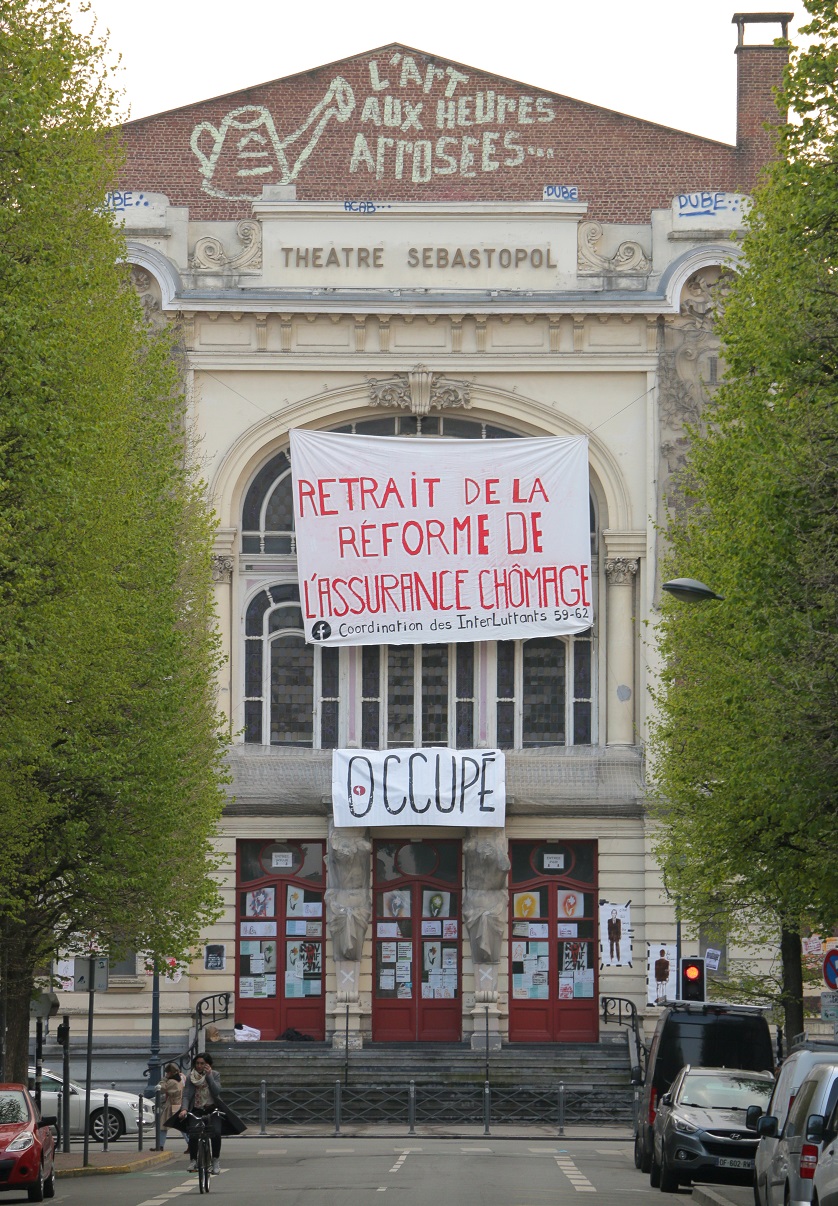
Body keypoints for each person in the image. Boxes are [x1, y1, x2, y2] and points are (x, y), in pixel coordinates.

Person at [172, 1053, 246, 1175]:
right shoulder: (190, 1077)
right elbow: (186, 1095)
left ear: (208, 1065)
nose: (199, 1066)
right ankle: (193, 1160)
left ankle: (215, 1160)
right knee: (194, 1132)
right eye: (197, 1063)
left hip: (212, 1109)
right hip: (196, 1109)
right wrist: (184, 1109)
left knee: (216, 1133)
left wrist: (210, 1076)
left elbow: (217, 1091)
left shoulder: (215, 1074)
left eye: (202, 1064)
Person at [156, 1063, 183, 1149]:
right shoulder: (180, 1079)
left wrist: (163, 1080)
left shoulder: (171, 1081)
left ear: (170, 1073)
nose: (166, 1074)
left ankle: (160, 1145)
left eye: (167, 1073)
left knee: (163, 1126)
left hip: (172, 1106)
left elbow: (162, 1088)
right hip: (177, 1104)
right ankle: (160, 1145)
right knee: (165, 1127)